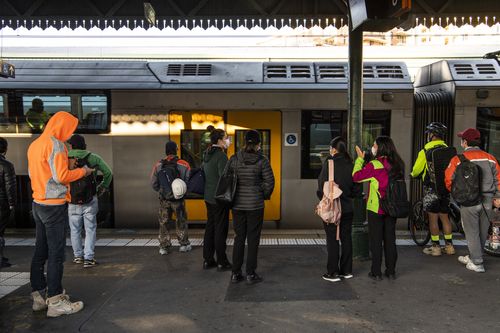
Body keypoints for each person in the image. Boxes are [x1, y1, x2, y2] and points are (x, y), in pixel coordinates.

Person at [28, 111, 93, 317]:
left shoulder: (36, 144)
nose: (70, 132)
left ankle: (39, 296)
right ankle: (56, 301)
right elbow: (62, 177)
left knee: (41, 251)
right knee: (56, 254)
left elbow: (41, 172)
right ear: (62, 126)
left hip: (38, 202)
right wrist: (83, 172)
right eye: (70, 128)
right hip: (54, 205)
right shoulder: (57, 145)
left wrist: (66, 165)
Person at [445, 128, 500, 273]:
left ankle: (477, 262)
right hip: (488, 200)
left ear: (465, 142)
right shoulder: (490, 158)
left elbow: (448, 180)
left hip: (469, 200)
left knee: (471, 231)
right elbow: (498, 179)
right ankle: (474, 256)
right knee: (482, 231)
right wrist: (498, 197)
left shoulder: (458, 159)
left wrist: (458, 194)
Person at [353, 136, 405, 281]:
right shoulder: (398, 164)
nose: (373, 147)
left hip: (377, 208)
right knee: (390, 240)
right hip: (393, 207)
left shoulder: (375, 164)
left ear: (380, 147)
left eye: (374, 145)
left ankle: (376, 272)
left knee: (376, 241)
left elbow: (356, 177)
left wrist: (359, 160)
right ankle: (391, 271)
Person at [230, 130, 274, 285]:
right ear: (258, 144)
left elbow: (227, 180)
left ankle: (235, 273)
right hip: (255, 205)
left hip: (237, 205)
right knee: (253, 239)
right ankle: (250, 274)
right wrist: (260, 192)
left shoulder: (234, 159)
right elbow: (270, 182)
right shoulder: (262, 160)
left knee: (238, 238)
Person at [317, 137, 361, 282]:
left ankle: (332, 273)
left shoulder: (329, 163)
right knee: (346, 238)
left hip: (332, 209)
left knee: (332, 240)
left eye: (330, 148)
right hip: (348, 208)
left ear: (334, 149)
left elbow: (320, 187)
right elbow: (357, 189)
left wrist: (324, 200)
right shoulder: (351, 164)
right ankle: (347, 270)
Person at [67, 134, 113, 268]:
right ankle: (88, 258)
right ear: (84, 145)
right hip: (90, 198)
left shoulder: (65, 158)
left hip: (72, 199)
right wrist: (101, 188)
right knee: (90, 229)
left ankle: (78, 257)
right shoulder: (93, 157)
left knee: (74, 229)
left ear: (71, 145)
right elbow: (108, 173)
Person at [411, 122, 455, 256]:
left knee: (433, 218)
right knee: (445, 217)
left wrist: (413, 175)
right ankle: (449, 246)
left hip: (431, 189)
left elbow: (416, 170)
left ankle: (435, 247)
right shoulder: (449, 151)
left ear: (431, 135)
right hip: (446, 189)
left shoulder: (425, 151)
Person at [151, 141, 192, 255]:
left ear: (166, 151)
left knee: (164, 222)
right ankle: (183, 244)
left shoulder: (158, 165)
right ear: (176, 150)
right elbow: (188, 181)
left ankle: (164, 247)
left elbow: (153, 183)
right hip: (178, 200)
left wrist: (162, 191)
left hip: (164, 199)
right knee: (181, 220)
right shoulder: (184, 164)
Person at [202, 127, 232, 271]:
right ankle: (222, 261)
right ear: (219, 140)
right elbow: (224, 177)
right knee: (221, 229)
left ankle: (208, 260)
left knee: (210, 228)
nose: (228, 140)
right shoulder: (221, 156)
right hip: (219, 199)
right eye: (226, 137)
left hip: (208, 197)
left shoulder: (206, 153)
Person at [0, 137, 16, 268]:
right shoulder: (7, 165)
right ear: (5, 149)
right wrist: (12, 203)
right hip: (2, 203)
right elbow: (10, 186)